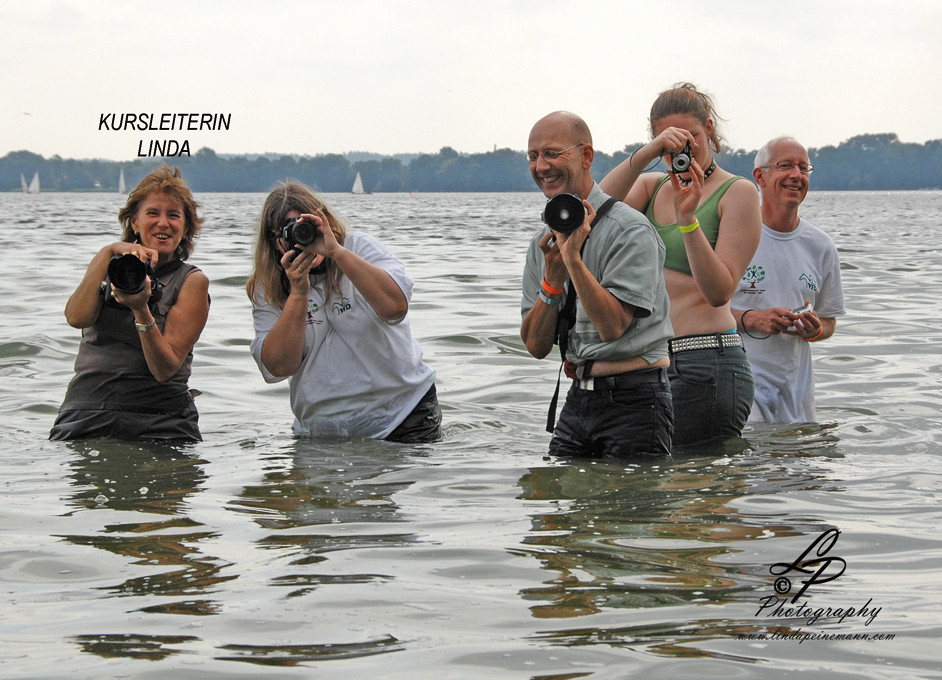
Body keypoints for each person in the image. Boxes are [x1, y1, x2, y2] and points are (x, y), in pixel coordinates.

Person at [600, 82, 761, 447]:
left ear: (710, 130)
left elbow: (719, 292)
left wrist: (688, 220)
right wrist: (646, 155)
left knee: (698, 494)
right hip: (650, 366)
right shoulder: (652, 187)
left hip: (707, 362)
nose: (683, 149)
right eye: (669, 142)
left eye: (692, 136)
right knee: (652, 492)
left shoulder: (737, 192)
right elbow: (590, 212)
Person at [521, 111, 674, 457]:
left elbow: (612, 327)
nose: (541, 166)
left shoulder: (630, 231)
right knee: (557, 508)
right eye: (533, 156)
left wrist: (573, 261)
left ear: (586, 156)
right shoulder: (543, 243)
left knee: (628, 510)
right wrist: (552, 282)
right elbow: (535, 346)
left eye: (552, 153)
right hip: (578, 400)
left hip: (637, 401)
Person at [247, 182, 441, 442]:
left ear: (323, 220)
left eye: (306, 226)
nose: (301, 237)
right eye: (289, 231)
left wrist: (336, 252)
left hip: (403, 417)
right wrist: (298, 293)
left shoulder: (358, 248)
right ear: (274, 240)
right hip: (322, 433)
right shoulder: (269, 284)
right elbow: (279, 366)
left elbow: (395, 308)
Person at [50, 164, 210, 441]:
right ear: (134, 222)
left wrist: (140, 308)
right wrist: (107, 252)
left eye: (173, 215)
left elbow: (164, 369)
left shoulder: (191, 281)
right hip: (87, 410)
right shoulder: (110, 267)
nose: (163, 223)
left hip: (160, 417)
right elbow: (77, 317)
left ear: (185, 227)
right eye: (152, 213)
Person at [732, 136, 846, 423]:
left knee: (801, 464)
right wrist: (751, 319)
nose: (796, 175)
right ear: (760, 176)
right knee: (753, 463)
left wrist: (814, 330)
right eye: (785, 166)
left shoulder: (821, 246)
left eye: (803, 168)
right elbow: (698, 312)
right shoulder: (733, 235)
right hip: (740, 385)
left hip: (796, 390)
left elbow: (829, 321)